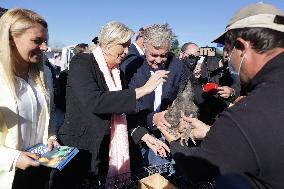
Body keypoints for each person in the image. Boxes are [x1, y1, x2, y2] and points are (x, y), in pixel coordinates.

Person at [157, 3, 284, 189]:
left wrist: (172, 138)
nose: (228, 58)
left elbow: (199, 168)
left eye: (228, 51)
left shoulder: (250, 111)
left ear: (241, 47)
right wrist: (210, 131)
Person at [52, 21, 169, 188]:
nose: (127, 51)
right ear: (107, 45)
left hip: (108, 151)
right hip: (83, 149)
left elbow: (122, 112)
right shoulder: (82, 62)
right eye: (123, 45)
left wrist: (144, 135)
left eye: (128, 46)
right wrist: (144, 89)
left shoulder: (117, 73)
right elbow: (95, 101)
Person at [0, 8, 59, 189]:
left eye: (45, 41)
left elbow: (50, 114)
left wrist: (51, 136)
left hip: (40, 168)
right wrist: (12, 157)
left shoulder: (45, 74)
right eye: (37, 41)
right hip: (7, 175)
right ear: (11, 38)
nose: (45, 47)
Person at [123, 24, 188, 167]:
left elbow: (183, 97)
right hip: (137, 132)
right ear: (144, 46)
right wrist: (152, 118)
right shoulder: (132, 68)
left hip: (167, 133)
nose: (158, 61)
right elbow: (127, 105)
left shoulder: (178, 67)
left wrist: (175, 117)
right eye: (153, 55)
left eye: (163, 55)